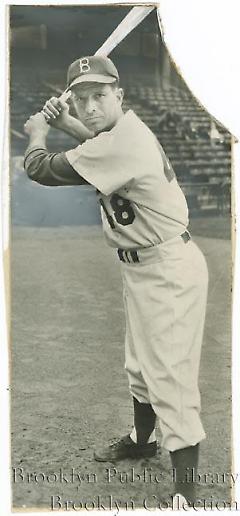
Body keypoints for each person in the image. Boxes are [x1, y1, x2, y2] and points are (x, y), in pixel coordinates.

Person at [24, 55, 209, 507]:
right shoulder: (122, 134)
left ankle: (186, 494)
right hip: (144, 264)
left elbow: (40, 168)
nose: (89, 106)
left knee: (169, 375)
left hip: (166, 267)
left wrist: (38, 133)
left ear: (119, 96)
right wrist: (69, 123)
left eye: (99, 96)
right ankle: (142, 440)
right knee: (140, 366)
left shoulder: (122, 143)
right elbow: (96, 146)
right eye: (81, 98)